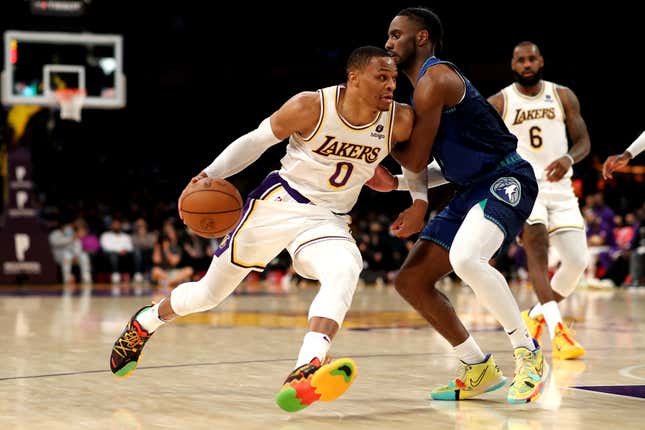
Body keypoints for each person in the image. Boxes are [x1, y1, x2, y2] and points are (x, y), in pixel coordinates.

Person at [109, 46, 425, 412]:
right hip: (278, 204)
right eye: (381, 77)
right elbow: (256, 141)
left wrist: (421, 196)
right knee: (208, 295)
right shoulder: (311, 106)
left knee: (345, 268)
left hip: (328, 218)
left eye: (393, 78)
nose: (391, 85)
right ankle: (146, 321)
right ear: (354, 78)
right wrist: (210, 175)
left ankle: (305, 368)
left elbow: (413, 171)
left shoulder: (400, 120)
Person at [374, 7, 547, 404]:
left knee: (468, 259)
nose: (388, 42)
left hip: (507, 178)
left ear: (421, 38)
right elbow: (438, 167)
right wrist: (399, 186)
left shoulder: (434, 80)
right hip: (470, 185)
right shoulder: (419, 91)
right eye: (388, 35)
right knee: (410, 281)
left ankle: (529, 354)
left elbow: (415, 159)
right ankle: (478, 367)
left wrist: (381, 139)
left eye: (396, 34)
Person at [487, 41, 589, 360]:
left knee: (576, 262)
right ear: (513, 65)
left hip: (561, 188)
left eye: (532, 59)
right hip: (526, 187)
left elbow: (583, 142)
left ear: (541, 61)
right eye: (521, 60)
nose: (527, 64)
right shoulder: (500, 102)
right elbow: (485, 146)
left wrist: (569, 160)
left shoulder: (562, 95)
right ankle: (558, 332)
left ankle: (535, 315)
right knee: (539, 252)